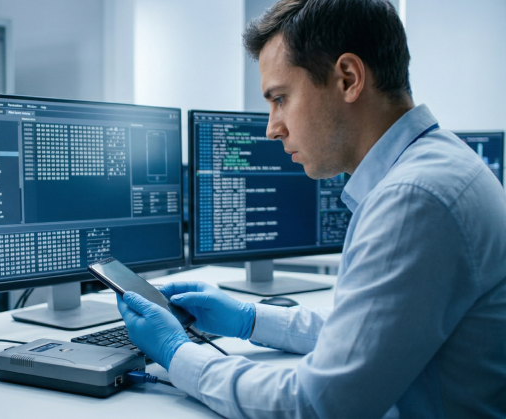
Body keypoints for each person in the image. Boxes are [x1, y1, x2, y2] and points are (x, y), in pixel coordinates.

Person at [116, 0, 506, 417]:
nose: (272, 128)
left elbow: (316, 405)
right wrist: (250, 319)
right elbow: (367, 335)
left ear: (348, 79)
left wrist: (179, 355)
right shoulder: (437, 165)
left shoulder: (414, 199)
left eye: (280, 98)